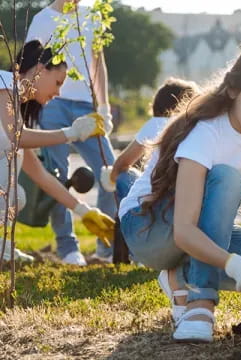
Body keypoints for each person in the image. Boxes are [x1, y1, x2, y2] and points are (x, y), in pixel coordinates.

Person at [119, 38, 241, 342]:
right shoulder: (206, 132)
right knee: (226, 177)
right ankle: (200, 303)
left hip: (192, 230)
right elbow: (184, 231)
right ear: (234, 90)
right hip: (147, 227)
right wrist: (237, 266)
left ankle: (179, 276)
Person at [0, 40, 114, 262]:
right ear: (41, 70)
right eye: (58, 82)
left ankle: (3, 250)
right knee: (13, 195)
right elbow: (18, 136)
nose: (58, 92)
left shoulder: (15, 112)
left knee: (16, 194)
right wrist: (72, 133)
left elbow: (42, 177)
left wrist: (84, 211)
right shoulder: (4, 82)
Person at [26, 0, 116, 265]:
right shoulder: (42, 20)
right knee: (59, 175)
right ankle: (68, 248)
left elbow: (98, 64)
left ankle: (106, 247)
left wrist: (104, 107)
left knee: (110, 172)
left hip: (88, 105)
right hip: (53, 103)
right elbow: (32, 64)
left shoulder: (92, 17)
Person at [99, 77, 198, 201]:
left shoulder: (157, 123)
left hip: (154, 199)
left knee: (123, 176)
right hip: (186, 197)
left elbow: (122, 163)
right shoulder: (196, 126)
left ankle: (121, 216)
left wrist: (111, 179)